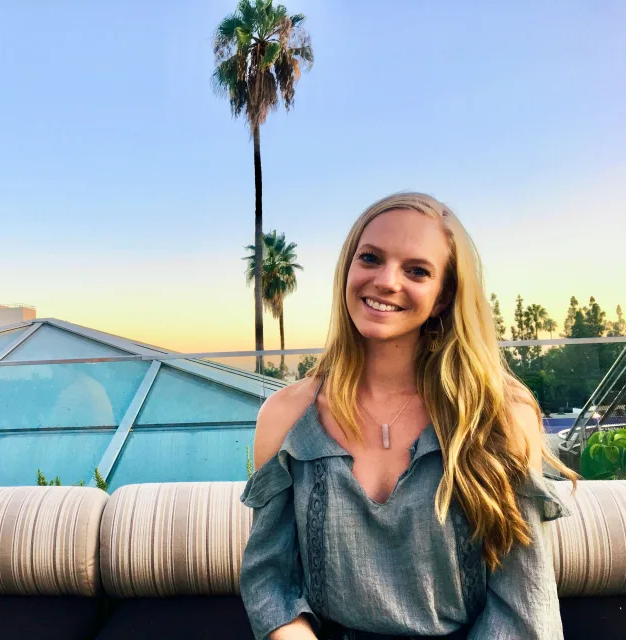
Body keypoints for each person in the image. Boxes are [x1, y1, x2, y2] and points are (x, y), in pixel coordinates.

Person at [239, 192, 575, 640]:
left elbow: (524, 607)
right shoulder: (285, 417)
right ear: (348, 269)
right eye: (371, 258)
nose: (386, 281)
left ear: (442, 297)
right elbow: (271, 580)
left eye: (416, 270)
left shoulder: (502, 416)